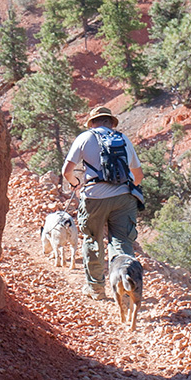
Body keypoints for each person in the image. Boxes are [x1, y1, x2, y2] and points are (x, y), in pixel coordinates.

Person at [62, 106, 144, 299]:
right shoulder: (123, 139)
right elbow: (138, 175)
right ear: (111, 122)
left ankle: (96, 289)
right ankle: (125, 287)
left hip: (94, 198)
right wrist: (126, 189)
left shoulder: (84, 138)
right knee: (122, 242)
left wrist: (76, 183)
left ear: (92, 122)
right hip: (124, 198)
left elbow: (67, 170)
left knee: (93, 240)